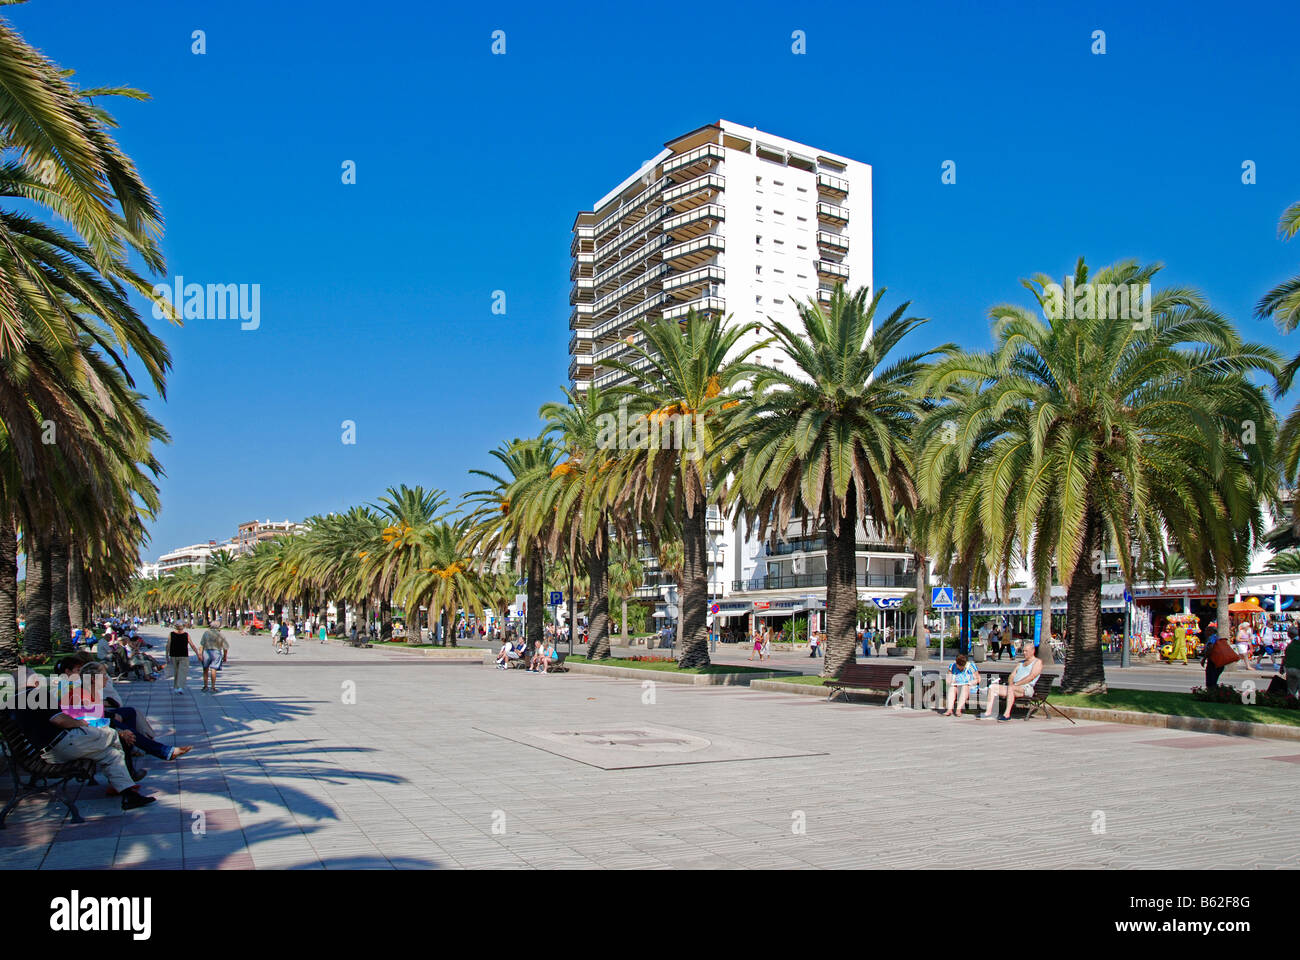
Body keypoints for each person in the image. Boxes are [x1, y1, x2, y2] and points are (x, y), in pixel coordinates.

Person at [978, 641, 1042, 721]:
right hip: (1013, 687)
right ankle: (988, 712)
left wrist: (1017, 684)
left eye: (1026, 651)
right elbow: (1012, 675)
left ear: (1033, 651)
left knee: (1011, 688)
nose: (1024, 653)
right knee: (992, 687)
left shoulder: (1037, 662)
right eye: (1023, 651)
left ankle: (1007, 714)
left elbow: (1031, 677)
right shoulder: (1020, 663)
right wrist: (1011, 683)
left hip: (1026, 688)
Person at [166, 621, 200, 693]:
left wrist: (167, 655)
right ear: (183, 626)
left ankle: (176, 687)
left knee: (176, 671)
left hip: (174, 655)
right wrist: (197, 654)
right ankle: (180, 687)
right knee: (182, 672)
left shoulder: (171, 634)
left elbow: (168, 645)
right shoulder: (186, 635)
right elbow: (192, 645)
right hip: (183, 655)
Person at [1200, 625, 1236, 690]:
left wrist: (1204, 658)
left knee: (1211, 678)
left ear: (1211, 631)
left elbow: (1210, 648)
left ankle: (1211, 692)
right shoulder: (1217, 638)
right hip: (1218, 661)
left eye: (1206, 631)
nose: (1205, 632)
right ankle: (1213, 691)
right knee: (1213, 678)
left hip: (1214, 660)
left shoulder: (1212, 638)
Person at [199, 622, 229, 693]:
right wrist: (225, 656)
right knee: (213, 669)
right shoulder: (221, 635)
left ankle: (205, 686)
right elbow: (225, 647)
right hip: (216, 652)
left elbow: (201, 645)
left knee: (205, 669)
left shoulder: (206, 633)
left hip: (206, 652)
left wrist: (200, 654)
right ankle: (213, 687)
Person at [1285, 630, 1300, 697]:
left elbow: (1285, 657)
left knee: (1291, 691)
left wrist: (1282, 667)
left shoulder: (1291, 644)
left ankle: (1290, 704)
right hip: (1298, 668)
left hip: (1289, 668)